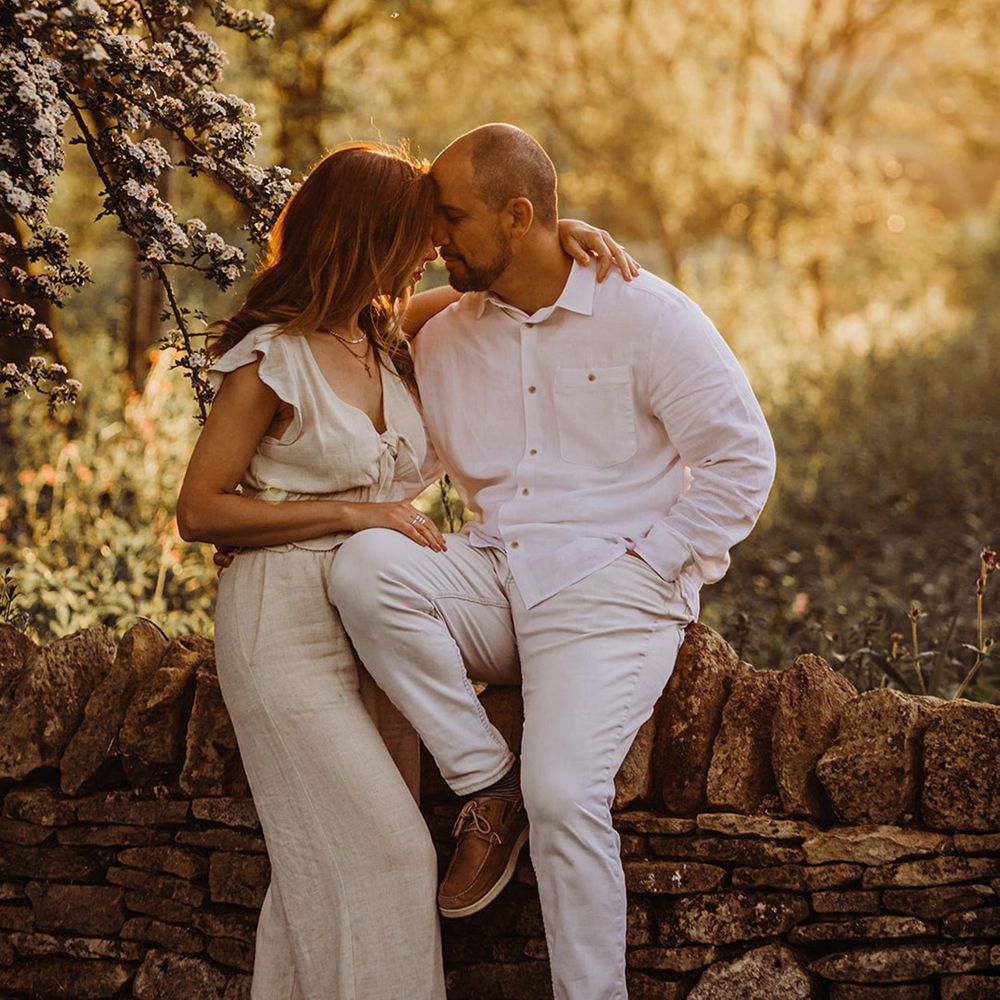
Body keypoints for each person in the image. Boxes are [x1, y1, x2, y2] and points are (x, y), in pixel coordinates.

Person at [176, 140, 635, 1000]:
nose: (435, 246)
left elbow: (505, 271)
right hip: (286, 627)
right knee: (388, 854)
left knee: (321, 869)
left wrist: (560, 230)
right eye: (421, 232)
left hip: (375, 621)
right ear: (367, 234)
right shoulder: (272, 357)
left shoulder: (386, 336)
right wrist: (352, 514)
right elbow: (199, 509)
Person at [327, 124, 777, 1000]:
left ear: (518, 215)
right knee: (365, 568)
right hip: (495, 574)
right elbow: (357, 357)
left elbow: (741, 459)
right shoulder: (444, 335)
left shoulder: (647, 315)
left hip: (611, 589)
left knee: (566, 794)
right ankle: (485, 782)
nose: (435, 239)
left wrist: (654, 565)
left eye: (451, 218)